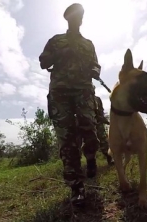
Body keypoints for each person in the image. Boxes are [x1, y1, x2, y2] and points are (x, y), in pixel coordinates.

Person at [39, 3, 101, 207]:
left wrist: (94, 70)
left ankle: (91, 157)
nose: (77, 19)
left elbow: (96, 64)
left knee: (90, 129)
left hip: (84, 92)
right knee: (67, 138)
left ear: (82, 19)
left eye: (80, 16)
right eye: (74, 16)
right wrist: (60, 54)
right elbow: (43, 61)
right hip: (60, 93)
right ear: (67, 19)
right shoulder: (56, 41)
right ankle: (76, 187)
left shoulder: (88, 44)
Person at [93, 90, 114, 166]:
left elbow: (101, 113)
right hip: (85, 124)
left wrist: (105, 121)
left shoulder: (97, 99)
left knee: (103, 141)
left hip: (98, 124)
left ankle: (110, 158)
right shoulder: (81, 99)